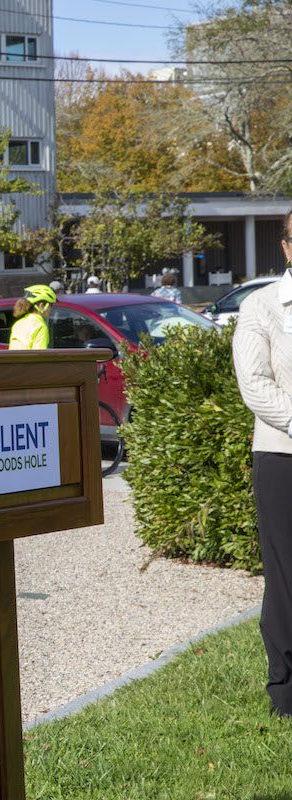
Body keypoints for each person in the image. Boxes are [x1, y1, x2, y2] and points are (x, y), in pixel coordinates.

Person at [232, 209, 292, 718]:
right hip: (282, 455)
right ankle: (287, 691)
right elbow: (254, 384)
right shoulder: (261, 307)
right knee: (287, 574)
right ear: (288, 248)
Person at [8, 284, 56, 350]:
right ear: (41, 306)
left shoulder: (18, 323)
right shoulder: (40, 326)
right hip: (29, 360)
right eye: (50, 305)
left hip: (14, 360)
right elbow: (39, 355)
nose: (51, 308)